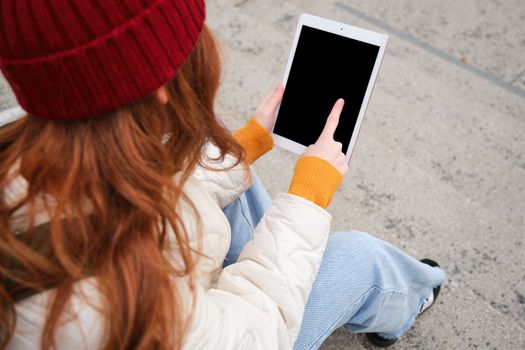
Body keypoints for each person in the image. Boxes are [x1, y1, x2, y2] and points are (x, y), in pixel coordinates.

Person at [0, 1, 446, 349]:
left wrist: (248, 144)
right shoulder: (126, 301)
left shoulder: (23, 150)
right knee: (360, 258)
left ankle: (270, 251)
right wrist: (308, 197)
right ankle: (410, 300)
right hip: (225, 326)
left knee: (237, 183)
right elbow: (259, 332)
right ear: (156, 86)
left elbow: (150, 190)